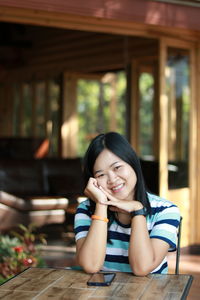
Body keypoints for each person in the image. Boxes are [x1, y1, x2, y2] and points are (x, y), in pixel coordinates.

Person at [74, 132, 180, 275]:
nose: (112, 179)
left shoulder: (165, 210)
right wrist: (101, 204)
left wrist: (138, 211)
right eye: (101, 175)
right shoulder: (86, 209)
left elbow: (142, 268)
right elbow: (91, 266)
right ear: (93, 180)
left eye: (117, 167)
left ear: (133, 163)